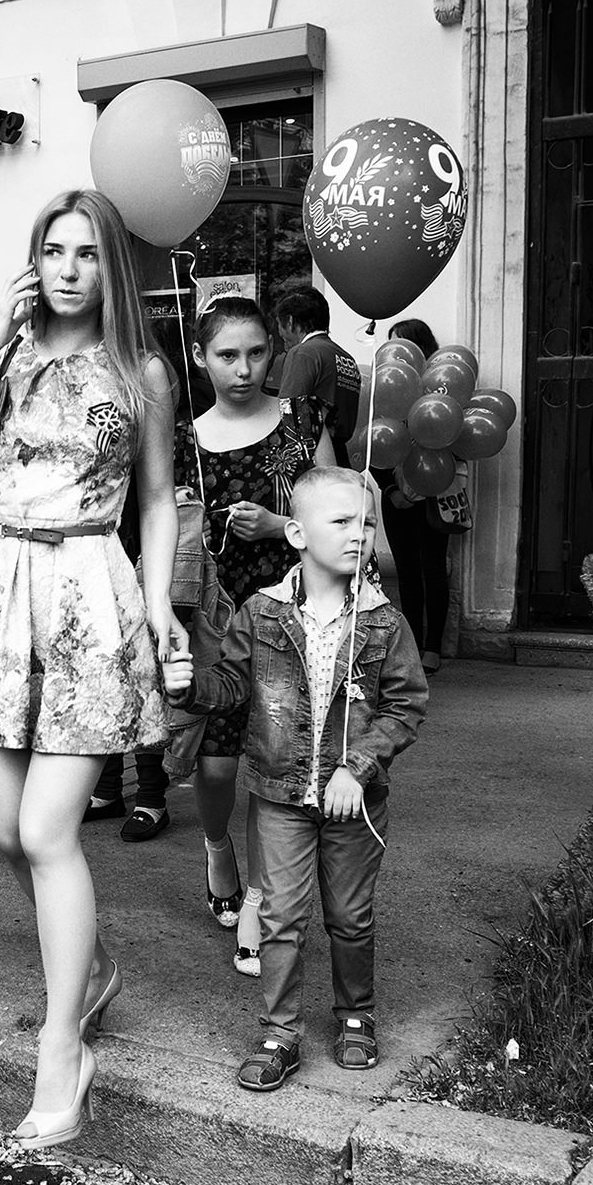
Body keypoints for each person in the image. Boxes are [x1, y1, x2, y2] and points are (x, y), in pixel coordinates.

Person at [0, 188, 181, 1150]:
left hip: (86, 593)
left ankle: (61, 1043)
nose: (68, 268)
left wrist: (157, 607)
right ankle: (97, 968)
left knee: (46, 828)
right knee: (3, 833)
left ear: (110, 263)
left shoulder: (141, 370)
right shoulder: (10, 357)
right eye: (52, 250)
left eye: (85, 253)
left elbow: (156, 501)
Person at [166, 467, 427, 1093]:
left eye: (366, 522)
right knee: (281, 916)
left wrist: (358, 768)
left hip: (353, 804)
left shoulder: (385, 622)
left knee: (349, 916)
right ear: (298, 534)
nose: (359, 534)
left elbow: (405, 705)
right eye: (340, 522)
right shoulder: (261, 614)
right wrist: (190, 685)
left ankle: (356, 1015)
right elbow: (231, 686)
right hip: (280, 795)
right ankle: (280, 1030)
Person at [174, 296, 335, 972]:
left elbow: (341, 509)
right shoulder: (185, 439)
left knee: (275, 769)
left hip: (291, 620)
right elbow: (164, 531)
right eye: (227, 356)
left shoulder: (302, 422)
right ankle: (216, 850)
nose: (243, 370)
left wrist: (278, 528)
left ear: (275, 351)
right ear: (200, 358)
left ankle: (261, 911)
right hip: (216, 625)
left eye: (256, 354)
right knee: (215, 766)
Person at [375, 318, 456, 673]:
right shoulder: (383, 386)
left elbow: (456, 436)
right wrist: (391, 489)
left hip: (435, 493)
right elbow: (374, 440)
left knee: (433, 568)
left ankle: (433, 647)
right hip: (396, 497)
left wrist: (429, 481)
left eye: (402, 346)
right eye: (392, 347)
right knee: (406, 571)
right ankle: (409, 645)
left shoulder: (443, 387)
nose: (397, 356)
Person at [273, 285, 362, 465]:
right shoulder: (347, 358)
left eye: (279, 324)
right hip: (340, 455)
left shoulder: (303, 353)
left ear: (289, 321)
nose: (280, 334)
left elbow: (289, 415)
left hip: (315, 457)